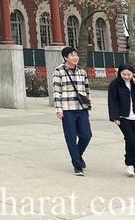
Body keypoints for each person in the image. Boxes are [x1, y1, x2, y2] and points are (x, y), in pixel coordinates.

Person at [52, 46, 92, 176]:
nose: (75, 57)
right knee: (71, 137)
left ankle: (77, 156)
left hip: (81, 108)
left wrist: (88, 105)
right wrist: (59, 109)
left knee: (86, 135)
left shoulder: (82, 71)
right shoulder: (59, 71)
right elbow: (57, 91)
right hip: (67, 109)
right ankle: (77, 165)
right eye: (72, 55)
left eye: (76, 55)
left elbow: (87, 90)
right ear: (65, 58)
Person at [107, 63, 135, 177]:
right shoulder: (115, 84)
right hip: (122, 117)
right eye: (124, 74)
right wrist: (114, 117)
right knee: (131, 139)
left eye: (128, 74)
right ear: (119, 73)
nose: (126, 76)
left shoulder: (134, 83)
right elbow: (112, 101)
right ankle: (129, 164)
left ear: (133, 74)